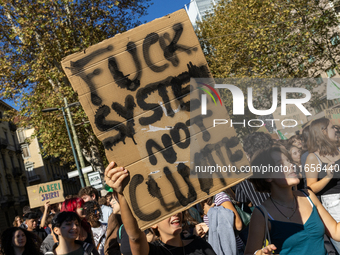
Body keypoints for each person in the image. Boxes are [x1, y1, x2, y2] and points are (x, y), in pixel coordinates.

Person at [104, 161, 216, 255]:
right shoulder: (152, 252)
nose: (175, 213)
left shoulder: (201, 246)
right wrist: (122, 193)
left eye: (176, 208)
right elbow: (135, 237)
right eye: (167, 211)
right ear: (153, 223)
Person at [244, 146, 340, 255]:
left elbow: (336, 232)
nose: (291, 165)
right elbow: (250, 253)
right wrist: (260, 253)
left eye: (289, 161)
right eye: (281, 164)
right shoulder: (262, 213)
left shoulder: (308, 196)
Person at [305, 117, 340, 253]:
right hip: (334, 204)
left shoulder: (338, 149)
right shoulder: (313, 157)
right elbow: (310, 188)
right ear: (323, 132)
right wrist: (328, 177)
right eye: (332, 127)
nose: (335, 129)